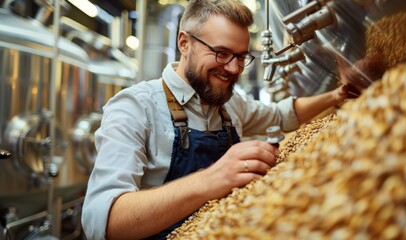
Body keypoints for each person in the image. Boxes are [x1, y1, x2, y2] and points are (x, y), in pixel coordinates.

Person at [81, 0, 350, 239]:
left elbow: (281, 115)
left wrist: (337, 95)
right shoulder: (135, 107)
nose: (233, 68)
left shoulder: (231, 103)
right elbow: (102, 222)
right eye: (221, 53)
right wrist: (211, 180)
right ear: (184, 43)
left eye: (241, 57)